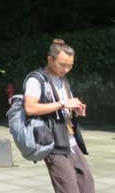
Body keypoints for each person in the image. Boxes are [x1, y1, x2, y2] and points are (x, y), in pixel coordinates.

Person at [23, 39, 94, 193]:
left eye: (70, 65)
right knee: (69, 189)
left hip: (71, 141)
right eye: (63, 65)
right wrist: (63, 103)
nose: (67, 69)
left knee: (87, 185)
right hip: (53, 144)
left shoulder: (64, 79)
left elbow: (66, 106)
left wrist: (76, 110)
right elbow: (30, 108)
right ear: (50, 59)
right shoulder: (36, 80)